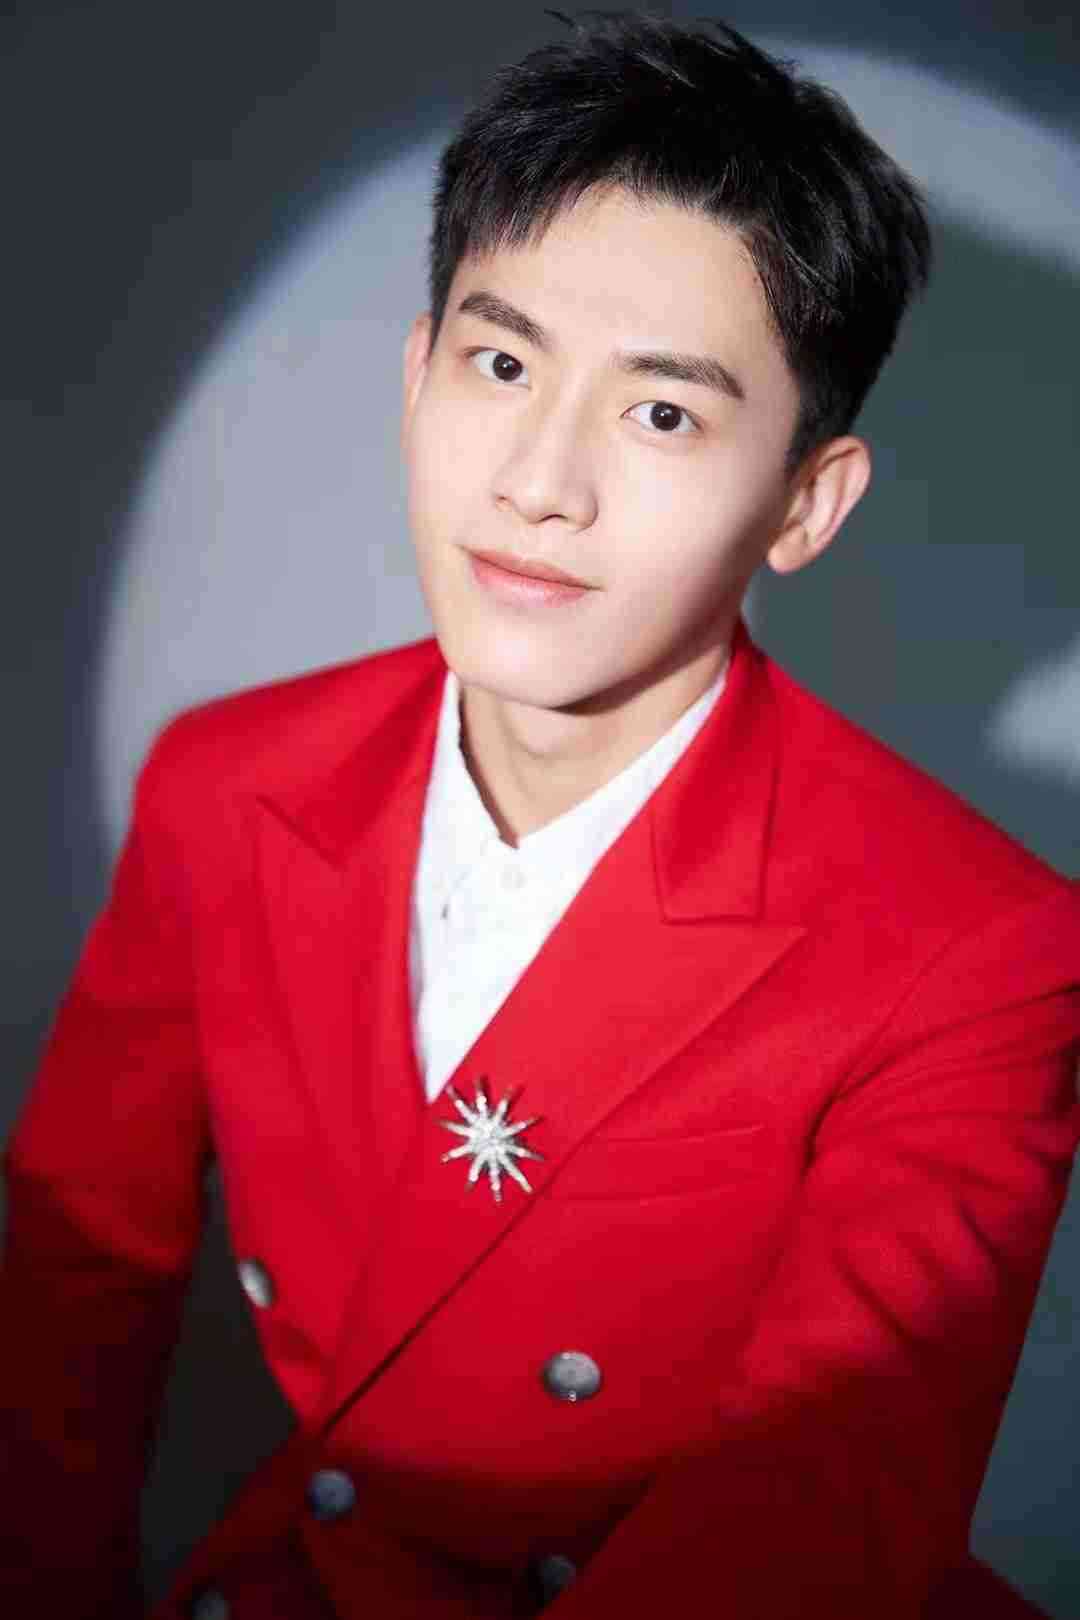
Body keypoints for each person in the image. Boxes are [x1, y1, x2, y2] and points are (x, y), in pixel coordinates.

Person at [2, 12, 1078, 1618]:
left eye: (661, 414)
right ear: (417, 375)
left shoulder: (984, 955)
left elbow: (816, 1513)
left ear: (804, 502)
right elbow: (70, 1281)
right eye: (502, 365)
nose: (539, 483)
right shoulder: (229, 784)